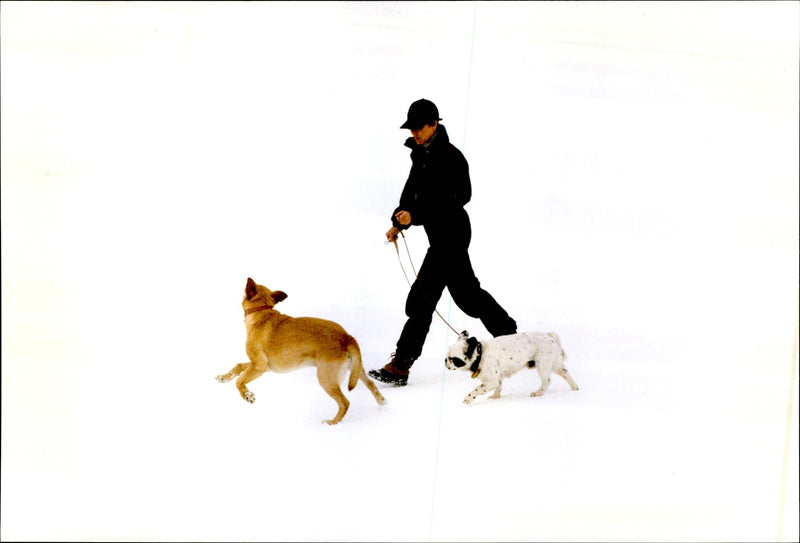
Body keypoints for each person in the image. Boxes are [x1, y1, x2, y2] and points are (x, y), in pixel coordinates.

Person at [369, 98, 517, 387]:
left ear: (434, 124)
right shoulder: (419, 154)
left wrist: (416, 214)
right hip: (437, 236)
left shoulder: (451, 157)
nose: (414, 133)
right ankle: (510, 337)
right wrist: (399, 221)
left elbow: (460, 197)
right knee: (461, 296)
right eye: (410, 129)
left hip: (453, 234)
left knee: (438, 299)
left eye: (418, 128)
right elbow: (411, 192)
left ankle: (403, 362)